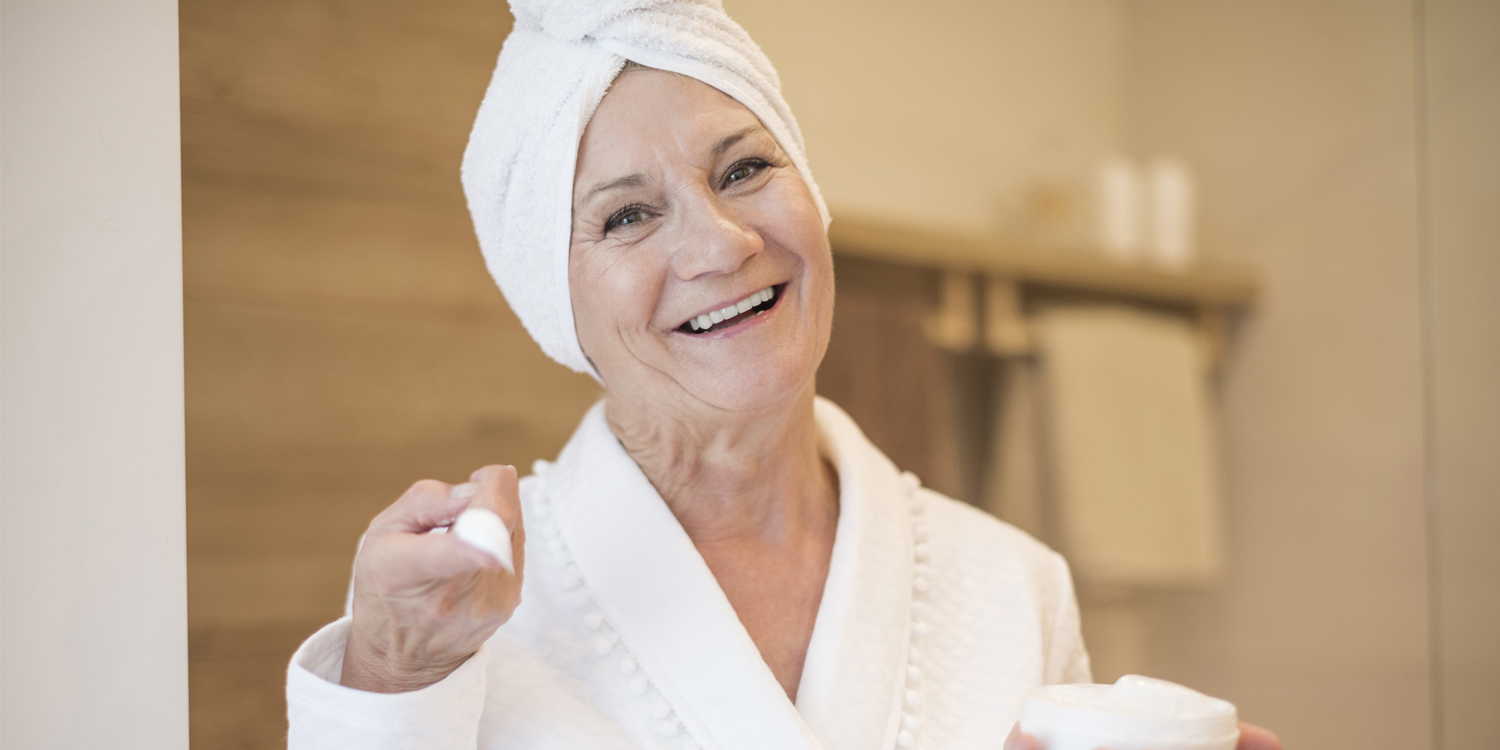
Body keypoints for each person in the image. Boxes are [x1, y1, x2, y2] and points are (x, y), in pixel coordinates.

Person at [285, 2, 1283, 749]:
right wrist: (391, 678)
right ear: (555, 301)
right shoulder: (458, 624)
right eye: (628, 215)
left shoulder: (1012, 588)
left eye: (744, 170)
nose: (722, 244)